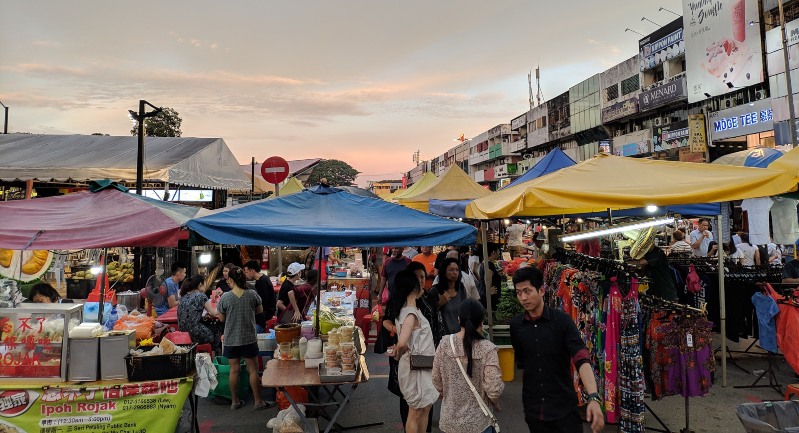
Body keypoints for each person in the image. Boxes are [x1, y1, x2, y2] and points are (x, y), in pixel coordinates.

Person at [510, 266, 604, 433]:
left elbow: (581, 358)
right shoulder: (516, 326)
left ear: (541, 290)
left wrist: (593, 396)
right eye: (518, 293)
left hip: (564, 410)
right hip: (534, 410)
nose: (523, 298)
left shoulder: (562, 322)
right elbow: (523, 363)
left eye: (527, 291)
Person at [433, 299, 504, 433]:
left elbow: (436, 380)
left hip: (450, 423)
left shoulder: (444, 344)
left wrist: (447, 394)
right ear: (482, 321)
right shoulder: (488, 349)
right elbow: (493, 389)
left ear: (459, 319)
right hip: (479, 424)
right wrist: (496, 403)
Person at [216, 266, 270, 411]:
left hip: (231, 339)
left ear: (232, 280)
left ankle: (235, 401)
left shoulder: (225, 297)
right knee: (253, 370)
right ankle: (258, 401)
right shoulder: (252, 294)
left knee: (234, 370)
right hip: (248, 338)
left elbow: (221, 318)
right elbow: (260, 312)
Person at [392, 269, 439, 433]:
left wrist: (398, 352)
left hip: (421, 367)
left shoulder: (408, 311)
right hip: (416, 369)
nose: (422, 283)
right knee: (415, 412)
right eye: (418, 281)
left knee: (424, 408)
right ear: (413, 287)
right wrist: (398, 352)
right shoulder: (411, 314)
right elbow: (403, 343)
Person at [432, 257, 479, 336]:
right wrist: (440, 303)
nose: (455, 273)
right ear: (444, 272)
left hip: (460, 335)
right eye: (451, 270)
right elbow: (428, 313)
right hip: (443, 337)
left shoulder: (461, 289)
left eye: (457, 270)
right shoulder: (436, 290)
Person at [632, 228, 679, 301]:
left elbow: (642, 262)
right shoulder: (648, 253)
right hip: (655, 291)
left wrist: (626, 262)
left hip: (665, 292)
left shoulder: (657, 252)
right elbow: (643, 270)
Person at [177, 275, 218, 346]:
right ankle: (213, 354)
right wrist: (221, 303)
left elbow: (189, 317)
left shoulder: (183, 296)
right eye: (204, 284)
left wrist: (203, 318)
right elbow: (214, 313)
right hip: (195, 333)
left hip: (183, 333)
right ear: (200, 284)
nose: (206, 286)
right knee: (216, 332)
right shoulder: (201, 296)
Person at [243, 260, 276, 332]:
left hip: (266, 313)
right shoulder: (259, 280)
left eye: (246, 272)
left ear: (252, 271)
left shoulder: (263, 281)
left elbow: (263, 302)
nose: (246, 274)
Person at [477, 243, 502, 311]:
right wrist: (489, 291)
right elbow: (487, 278)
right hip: (488, 297)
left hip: (483, 294)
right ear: (493, 252)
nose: (499, 253)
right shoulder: (489, 264)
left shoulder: (484, 262)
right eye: (498, 251)